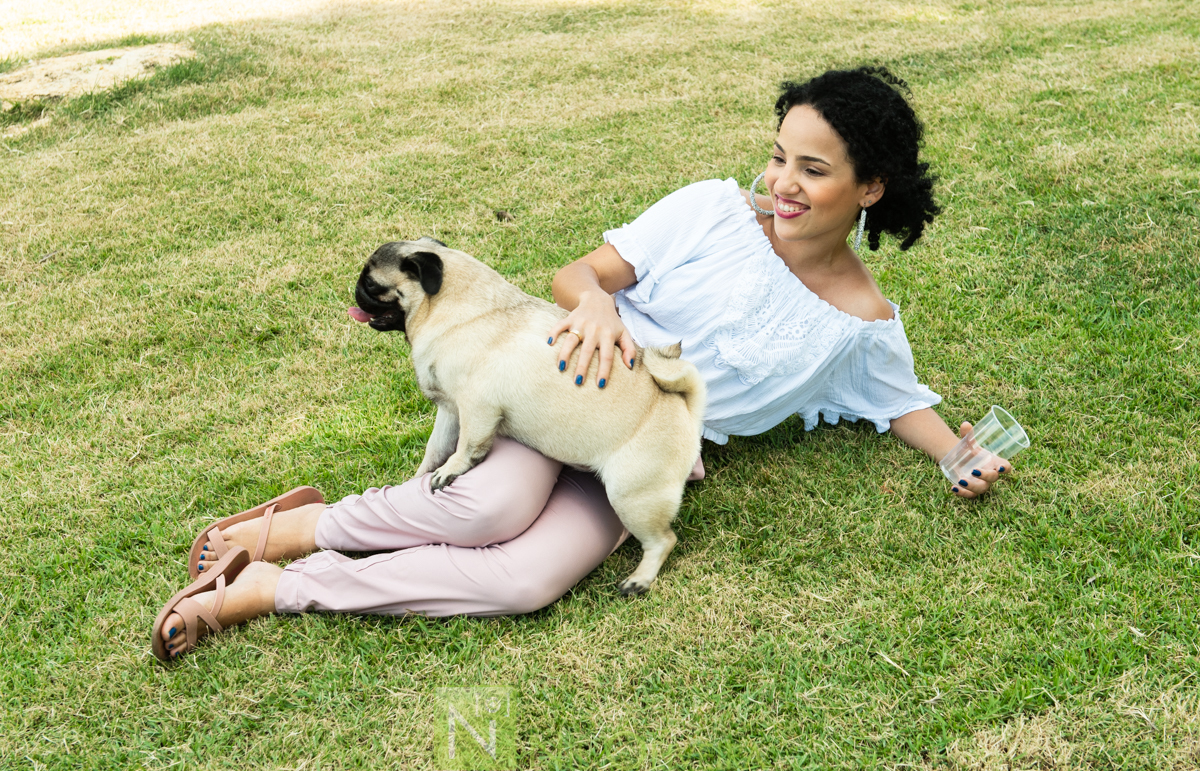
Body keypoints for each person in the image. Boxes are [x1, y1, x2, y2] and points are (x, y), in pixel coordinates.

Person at [152, 66, 1010, 661]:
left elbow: (897, 401)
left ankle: (273, 587)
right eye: (780, 154)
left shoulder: (855, 325)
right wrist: (596, 303)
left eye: (813, 169)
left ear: (870, 187)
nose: (782, 182)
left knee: (527, 580)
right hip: (566, 379)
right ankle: (296, 529)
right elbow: (582, 275)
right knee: (491, 503)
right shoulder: (712, 211)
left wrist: (956, 455)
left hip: (641, 444)